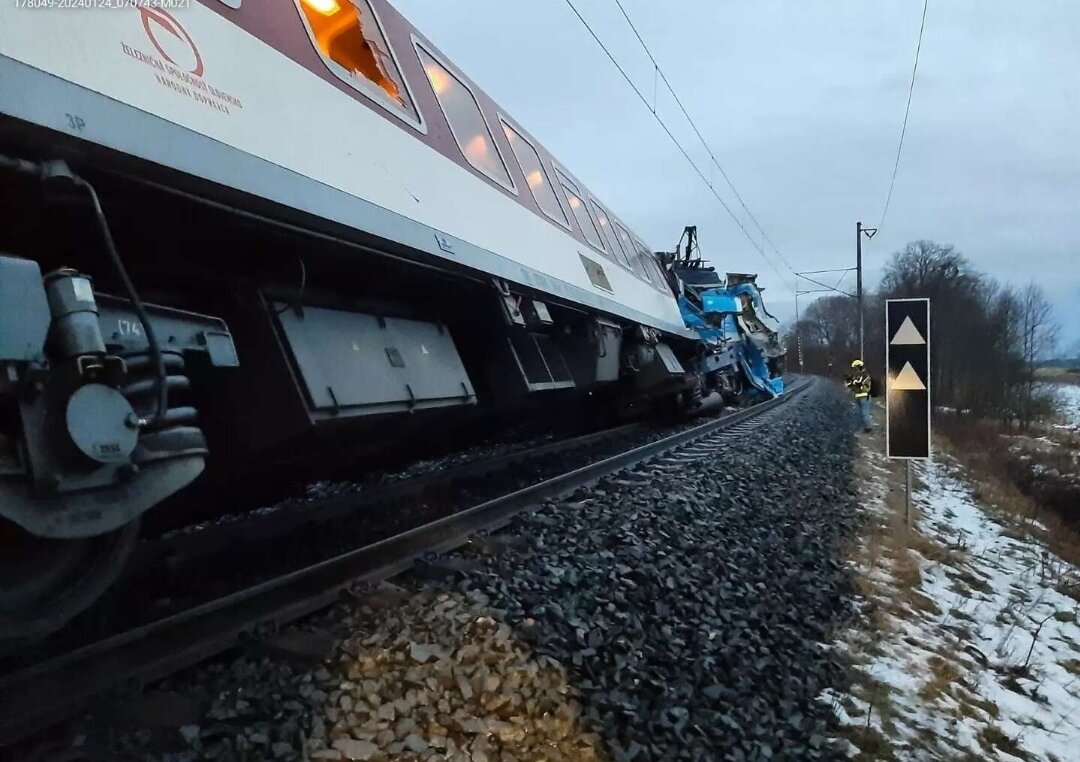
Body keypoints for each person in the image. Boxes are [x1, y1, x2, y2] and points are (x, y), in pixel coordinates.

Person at [845, 359, 873, 432]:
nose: (855, 370)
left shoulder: (865, 375)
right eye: (854, 369)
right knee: (860, 414)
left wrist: (851, 381)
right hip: (858, 397)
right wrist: (849, 382)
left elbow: (859, 384)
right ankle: (864, 427)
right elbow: (851, 386)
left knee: (865, 413)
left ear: (859, 367)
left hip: (865, 397)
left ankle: (869, 428)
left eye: (856, 368)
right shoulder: (857, 376)